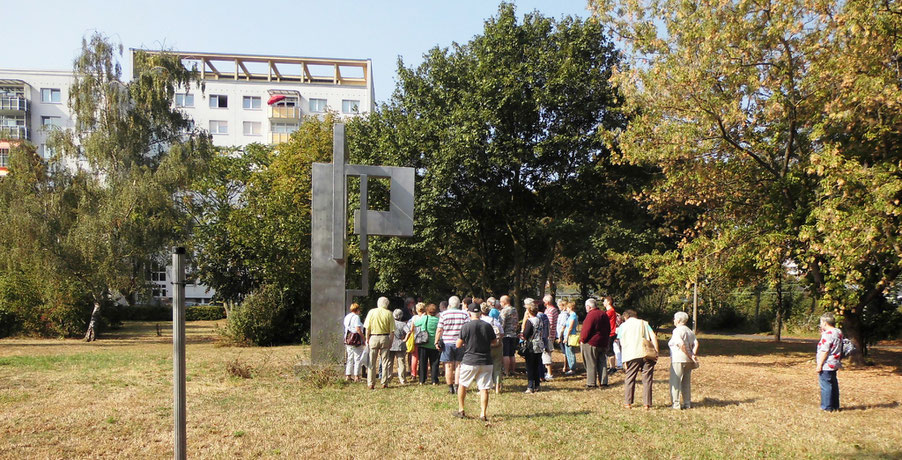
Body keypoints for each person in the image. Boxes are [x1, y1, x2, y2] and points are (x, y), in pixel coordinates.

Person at [454, 302, 500, 421]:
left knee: (462, 385)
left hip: (470, 360)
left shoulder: (466, 326)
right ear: (479, 312)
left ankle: (461, 410)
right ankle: (483, 414)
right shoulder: (487, 326)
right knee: (484, 388)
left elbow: (458, 344)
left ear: (469, 313)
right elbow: (495, 342)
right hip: (486, 361)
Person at [618, 309, 658, 409]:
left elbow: (621, 342)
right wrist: (656, 351)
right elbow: (653, 336)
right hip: (646, 353)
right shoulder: (644, 323)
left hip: (631, 354)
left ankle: (628, 402)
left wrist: (623, 360)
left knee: (630, 378)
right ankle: (647, 403)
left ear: (626, 317)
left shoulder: (623, 326)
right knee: (647, 379)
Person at [436, 295, 470, 394]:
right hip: (460, 342)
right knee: (459, 365)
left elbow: (439, 330)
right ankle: (457, 386)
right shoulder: (464, 314)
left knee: (448, 366)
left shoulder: (444, 314)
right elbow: (467, 329)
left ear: (449, 304)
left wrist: (436, 341)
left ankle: (450, 388)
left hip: (447, 343)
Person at [363, 296, 396, 389]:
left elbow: (367, 328)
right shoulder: (389, 313)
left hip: (373, 337)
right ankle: (384, 382)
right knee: (385, 361)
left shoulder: (371, 312)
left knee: (372, 362)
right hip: (385, 337)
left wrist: (367, 338)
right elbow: (392, 331)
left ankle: (371, 383)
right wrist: (390, 342)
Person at [668, 311, 699, 410]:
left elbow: (680, 344)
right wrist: (692, 355)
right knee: (686, 382)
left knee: (675, 382)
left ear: (678, 320)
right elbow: (696, 343)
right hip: (688, 361)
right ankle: (687, 403)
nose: (673, 320)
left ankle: (676, 405)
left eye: (674, 318)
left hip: (678, 359)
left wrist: (689, 354)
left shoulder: (677, 331)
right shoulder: (689, 331)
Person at [815, 312, 844, 412]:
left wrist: (819, 365)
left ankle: (826, 406)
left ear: (825, 323)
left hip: (826, 363)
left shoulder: (827, 335)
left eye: (821, 322)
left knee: (826, 385)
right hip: (835, 362)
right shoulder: (838, 332)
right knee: (833, 384)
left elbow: (825, 350)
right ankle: (835, 405)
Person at [580, 298, 610, 388]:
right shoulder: (603, 314)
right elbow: (608, 328)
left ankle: (591, 383)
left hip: (592, 342)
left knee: (590, 363)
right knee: (602, 362)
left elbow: (586, 330)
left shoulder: (591, 315)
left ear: (588, 307)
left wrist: (582, 340)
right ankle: (603, 381)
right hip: (603, 341)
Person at [521, 298, 545, 393]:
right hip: (539, 344)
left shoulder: (530, 321)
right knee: (536, 365)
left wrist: (522, 336)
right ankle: (537, 384)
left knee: (530, 366)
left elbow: (526, 334)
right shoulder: (540, 320)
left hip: (531, 346)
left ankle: (530, 386)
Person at [414, 303, 441, 385]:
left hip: (423, 344)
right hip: (434, 344)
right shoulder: (438, 320)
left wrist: (423, 316)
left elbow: (415, 323)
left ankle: (422, 380)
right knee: (434, 363)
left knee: (422, 362)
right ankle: (434, 380)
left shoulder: (424, 318)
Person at [480, 302, 504, 393]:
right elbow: (502, 333)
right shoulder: (495, 321)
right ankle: (498, 387)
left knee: (485, 367)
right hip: (497, 346)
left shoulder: (480, 321)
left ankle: (486, 386)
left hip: (485, 347)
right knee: (497, 367)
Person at [343, 303, 365, 382]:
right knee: (357, 358)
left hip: (348, 339)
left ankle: (348, 375)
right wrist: (363, 338)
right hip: (355, 340)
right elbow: (358, 329)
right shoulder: (356, 317)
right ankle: (357, 376)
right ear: (357, 310)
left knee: (350, 358)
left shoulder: (347, 316)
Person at [499, 295, 519, 376]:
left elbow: (502, 324)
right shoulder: (514, 310)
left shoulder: (504, 311)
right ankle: (513, 370)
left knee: (505, 354)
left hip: (506, 335)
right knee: (512, 354)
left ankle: (506, 371)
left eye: (500, 302)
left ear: (504, 302)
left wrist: (500, 333)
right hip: (513, 334)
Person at [407, 302, 427, 381]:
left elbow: (410, 328)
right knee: (424, 357)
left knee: (414, 357)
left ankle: (413, 374)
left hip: (416, 338)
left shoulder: (414, 318)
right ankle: (423, 373)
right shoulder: (426, 317)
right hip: (424, 338)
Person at [389, 308, 409, 384]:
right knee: (401, 363)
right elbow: (408, 332)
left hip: (390, 344)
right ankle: (402, 379)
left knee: (389, 362)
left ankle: (388, 377)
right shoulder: (403, 324)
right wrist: (405, 339)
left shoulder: (390, 323)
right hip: (400, 345)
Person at [543, 295, 559, 380]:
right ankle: (546, 371)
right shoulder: (553, 310)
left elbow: (550, 324)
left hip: (548, 335)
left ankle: (549, 373)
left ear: (547, 302)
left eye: (544, 301)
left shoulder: (550, 310)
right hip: (551, 334)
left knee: (547, 353)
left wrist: (547, 334)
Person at [561, 301, 579, 375]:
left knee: (570, 352)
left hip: (570, 336)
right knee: (568, 352)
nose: (567, 309)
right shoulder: (570, 315)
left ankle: (572, 368)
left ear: (571, 308)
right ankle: (571, 367)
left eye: (568, 308)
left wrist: (566, 337)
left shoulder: (573, 316)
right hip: (567, 335)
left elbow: (570, 327)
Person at [603, 296, 619, 375]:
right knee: (608, 350)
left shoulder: (610, 311)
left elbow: (603, 318)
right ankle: (611, 366)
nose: (603, 303)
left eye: (604, 301)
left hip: (610, 333)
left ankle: (613, 367)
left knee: (609, 350)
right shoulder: (610, 311)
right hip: (609, 332)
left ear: (609, 302)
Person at [537, 303, 553, 381]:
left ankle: (546, 374)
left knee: (542, 357)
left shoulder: (538, 317)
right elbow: (548, 327)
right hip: (545, 337)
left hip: (540, 338)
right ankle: (545, 373)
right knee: (546, 356)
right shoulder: (545, 316)